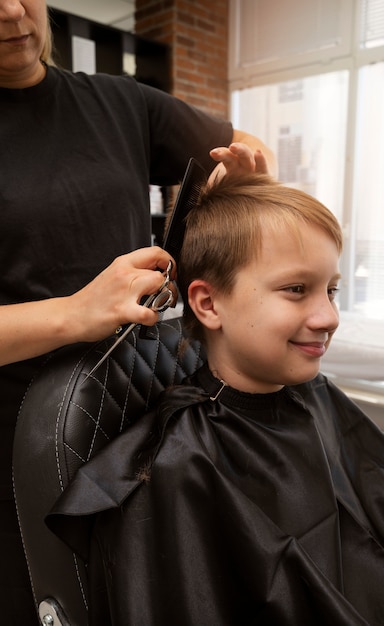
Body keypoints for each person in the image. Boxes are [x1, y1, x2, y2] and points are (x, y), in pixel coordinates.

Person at [0, 1, 276, 621]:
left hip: (132, 415)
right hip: (15, 450)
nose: (11, 10)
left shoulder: (120, 104)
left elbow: (246, 147)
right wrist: (75, 313)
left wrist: (237, 185)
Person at [48, 174, 384, 625]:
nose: (329, 317)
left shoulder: (314, 395)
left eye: (331, 290)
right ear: (208, 304)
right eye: (296, 290)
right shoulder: (180, 467)